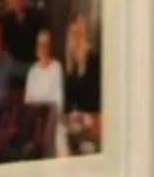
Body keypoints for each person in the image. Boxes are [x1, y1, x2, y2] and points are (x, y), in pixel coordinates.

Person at [62, 15, 103, 155]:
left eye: (79, 34)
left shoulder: (94, 62)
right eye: (72, 35)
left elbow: (97, 99)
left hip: (93, 122)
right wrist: (73, 114)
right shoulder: (70, 68)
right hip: (75, 125)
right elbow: (67, 103)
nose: (75, 39)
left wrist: (86, 116)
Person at [24, 26, 66, 155]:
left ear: (50, 47)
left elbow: (59, 101)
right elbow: (28, 102)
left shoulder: (56, 67)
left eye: (46, 45)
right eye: (40, 45)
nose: (43, 48)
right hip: (36, 123)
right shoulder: (32, 71)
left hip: (53, 120)